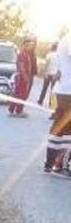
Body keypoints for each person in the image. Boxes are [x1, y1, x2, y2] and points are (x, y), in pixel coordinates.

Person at [45, 34, 71, 174]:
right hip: (68, 92)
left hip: (63, 90)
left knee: (61, 128)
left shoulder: (65, 38)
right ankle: (60, 164)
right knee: (65, 129)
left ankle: (53, 163)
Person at [9, 37, 37, 117]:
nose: (29, 47)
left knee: (18, 93)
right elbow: (21, 67)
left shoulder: (27, 54)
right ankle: (19, 111)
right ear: (24, 45)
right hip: (21, 77)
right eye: (27, 45)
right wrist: (25, 78)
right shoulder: (22, 54)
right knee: (21, 94)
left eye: (30, 45)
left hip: (24, 76)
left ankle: (12, 109)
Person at [38, 42, 59, 106]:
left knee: (44, 88)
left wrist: (44, 73)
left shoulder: (49, 55)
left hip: (48, 73)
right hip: (55, 75)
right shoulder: (59, 56)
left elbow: (46, 65)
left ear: (52, 48)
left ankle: (40, 101)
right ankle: (51, 103)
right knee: (53, 89)